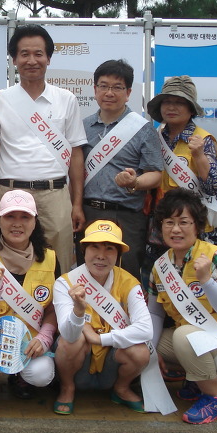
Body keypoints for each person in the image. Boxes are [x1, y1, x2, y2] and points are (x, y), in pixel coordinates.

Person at [0, 24, 87, 272]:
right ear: (14, 59)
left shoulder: (66, 99)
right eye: (24, 54)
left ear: (48, 58)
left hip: (55, 195)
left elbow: (76, 154)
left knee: (60, 265)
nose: (32, 60)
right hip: (11, 193)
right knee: (11, 266)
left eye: (39, 54)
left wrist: (77, 203)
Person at [148, 188, 217, 424]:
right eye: (169, 222)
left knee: (184, 336)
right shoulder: (160, 266)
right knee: (144, 346)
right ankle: (198, 380)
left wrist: (206, 281)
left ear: (197, 226)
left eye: (183, 222)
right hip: (197, 343)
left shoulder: (216, 257)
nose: (176, 229)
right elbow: (155, 313)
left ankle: (214, 398)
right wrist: (151, 353)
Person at [0, 189, 59, 409]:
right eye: (10, 216)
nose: (17, 223)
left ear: (35, 222)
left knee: (42, 374)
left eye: (25, 217)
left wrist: (45, 337)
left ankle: (19, 375)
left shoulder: (50, 258)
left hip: (30, 338)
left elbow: (52, 309)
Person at [53, 220, 152, 415]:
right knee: (72, 341)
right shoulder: (65, 282)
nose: (101, 255)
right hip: (79, 361)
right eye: (94, 247)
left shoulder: (129, 283)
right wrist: (78, 311)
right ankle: (67, 388)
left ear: (118, 254)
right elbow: (68, 334)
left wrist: (100, 339)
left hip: (111, 362)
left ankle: (121, 389)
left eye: (109, 249)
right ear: (84, 251)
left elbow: (146, 330)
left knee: (140, 352)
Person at [79, 59, 163, 278]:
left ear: (128, 93)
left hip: (127, 216)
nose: (109, 93)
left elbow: (155, 174)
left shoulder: (142, 128)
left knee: (126, 275)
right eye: (104, 86)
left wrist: (135, 182)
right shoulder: (83, 126)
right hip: (89, 212)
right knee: (88, 275)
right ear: (95, 89)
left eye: (117, 87)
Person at [143, 76, 217, 289]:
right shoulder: (154, 137)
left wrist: (199, 156)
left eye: (179, 102)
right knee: (156, 284)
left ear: (191, 109)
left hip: (189, 227)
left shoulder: (203, 139)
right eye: (167, 102)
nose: (171, 107)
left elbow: (213, 186)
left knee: (191, 284)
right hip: (157, 227)